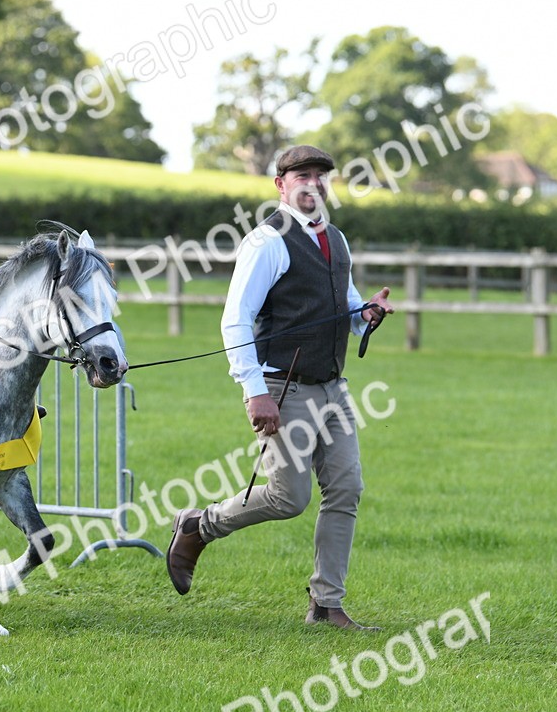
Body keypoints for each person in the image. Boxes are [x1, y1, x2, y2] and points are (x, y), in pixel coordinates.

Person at [165, 145, 393, 630]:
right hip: (282, 386)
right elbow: (236, 319)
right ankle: (197, 526)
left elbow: (344, 304)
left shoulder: (336, 238)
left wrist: (365, 314)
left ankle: (326, 604)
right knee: (288, 498)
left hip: (334, 386)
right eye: (302, 176)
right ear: (281, 185)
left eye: (321, 176)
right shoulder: (266, 242)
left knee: (347, 489)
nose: (313, 184)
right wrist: (255, 391)